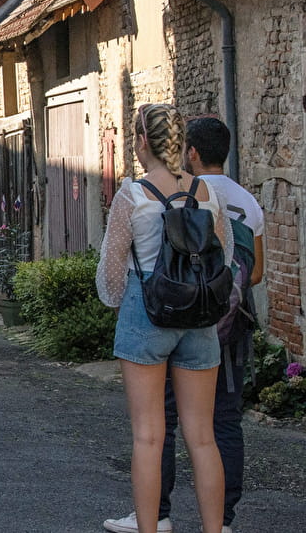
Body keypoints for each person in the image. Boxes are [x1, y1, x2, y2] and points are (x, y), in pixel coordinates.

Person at [103, 115, 263, 533]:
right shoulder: (205, 192)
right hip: (200, 320)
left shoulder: (132, 196)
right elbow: (226, 259)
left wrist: (128, 310)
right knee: (203, 436)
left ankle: (151, 527)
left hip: (148, 315)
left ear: (142, 142)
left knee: (149, 437)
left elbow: (111, 276)